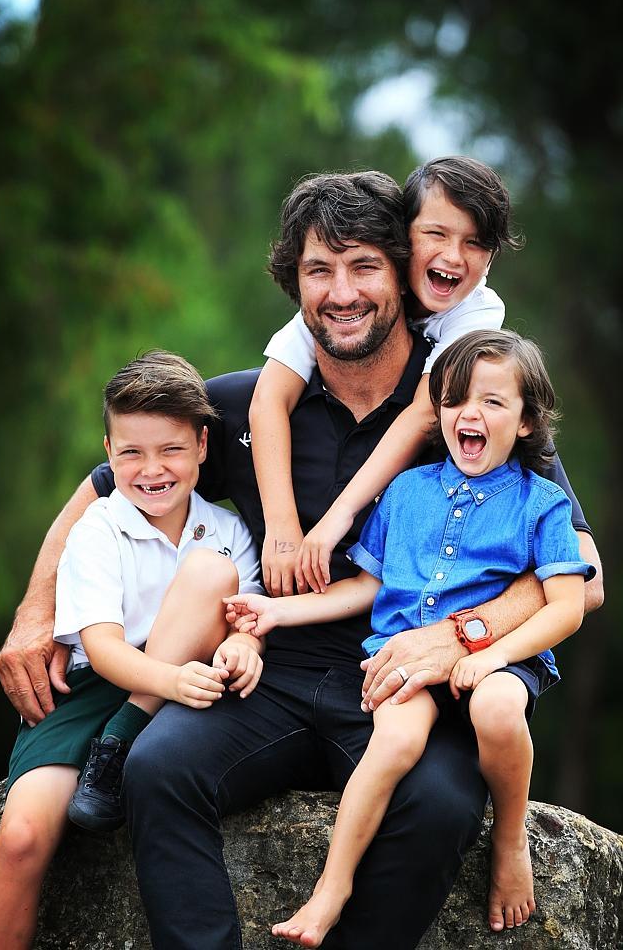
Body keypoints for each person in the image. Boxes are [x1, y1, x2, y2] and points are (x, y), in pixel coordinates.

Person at [0, 171, 603, 950]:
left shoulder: (464, 405)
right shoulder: (244, 402)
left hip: (399, 675)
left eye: (363, 267)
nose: (341, 294)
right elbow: (105, 484)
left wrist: (459, 637)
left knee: (445, 807)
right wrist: (38, 609)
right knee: (158, 770)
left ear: (402, 275)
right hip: (264, 674)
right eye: (319, 271)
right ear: (295, 282)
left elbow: (584, 572)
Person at [225, 328, 595, 946]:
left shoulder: (544, 505)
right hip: (405, 655)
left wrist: (494, 654)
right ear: (438, 414)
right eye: (454, 400)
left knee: (498, 706)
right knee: (392, 739)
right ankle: (332, 888)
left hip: (501, 661)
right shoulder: (406, 491)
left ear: (528, 422)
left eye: (494, 402)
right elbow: (369, 587)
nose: (469, 414)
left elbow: (567, 608)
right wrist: (279, 613)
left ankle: (509, 841)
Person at [0, 351, 263, 950]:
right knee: (23, 834)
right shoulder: (97, 529)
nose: (151, 469)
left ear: (204, 448)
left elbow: (244, 621)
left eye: (171, 450)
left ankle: (122, 742)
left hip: (173, 686)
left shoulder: (229, 531)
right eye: (131, 452)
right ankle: (114, 741)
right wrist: (170, 681)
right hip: (94, 688)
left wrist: (243, 648)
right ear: (108, 453)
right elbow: (103, 649)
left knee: (212, 574)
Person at [251, 157, 520, 597]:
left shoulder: (477, 316)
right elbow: (268, 399)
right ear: (406, 234)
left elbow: (423, 413)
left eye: (474, 243)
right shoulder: (334, 305)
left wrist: (334, 521)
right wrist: (281, 530)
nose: (452, 256)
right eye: (435, 234)